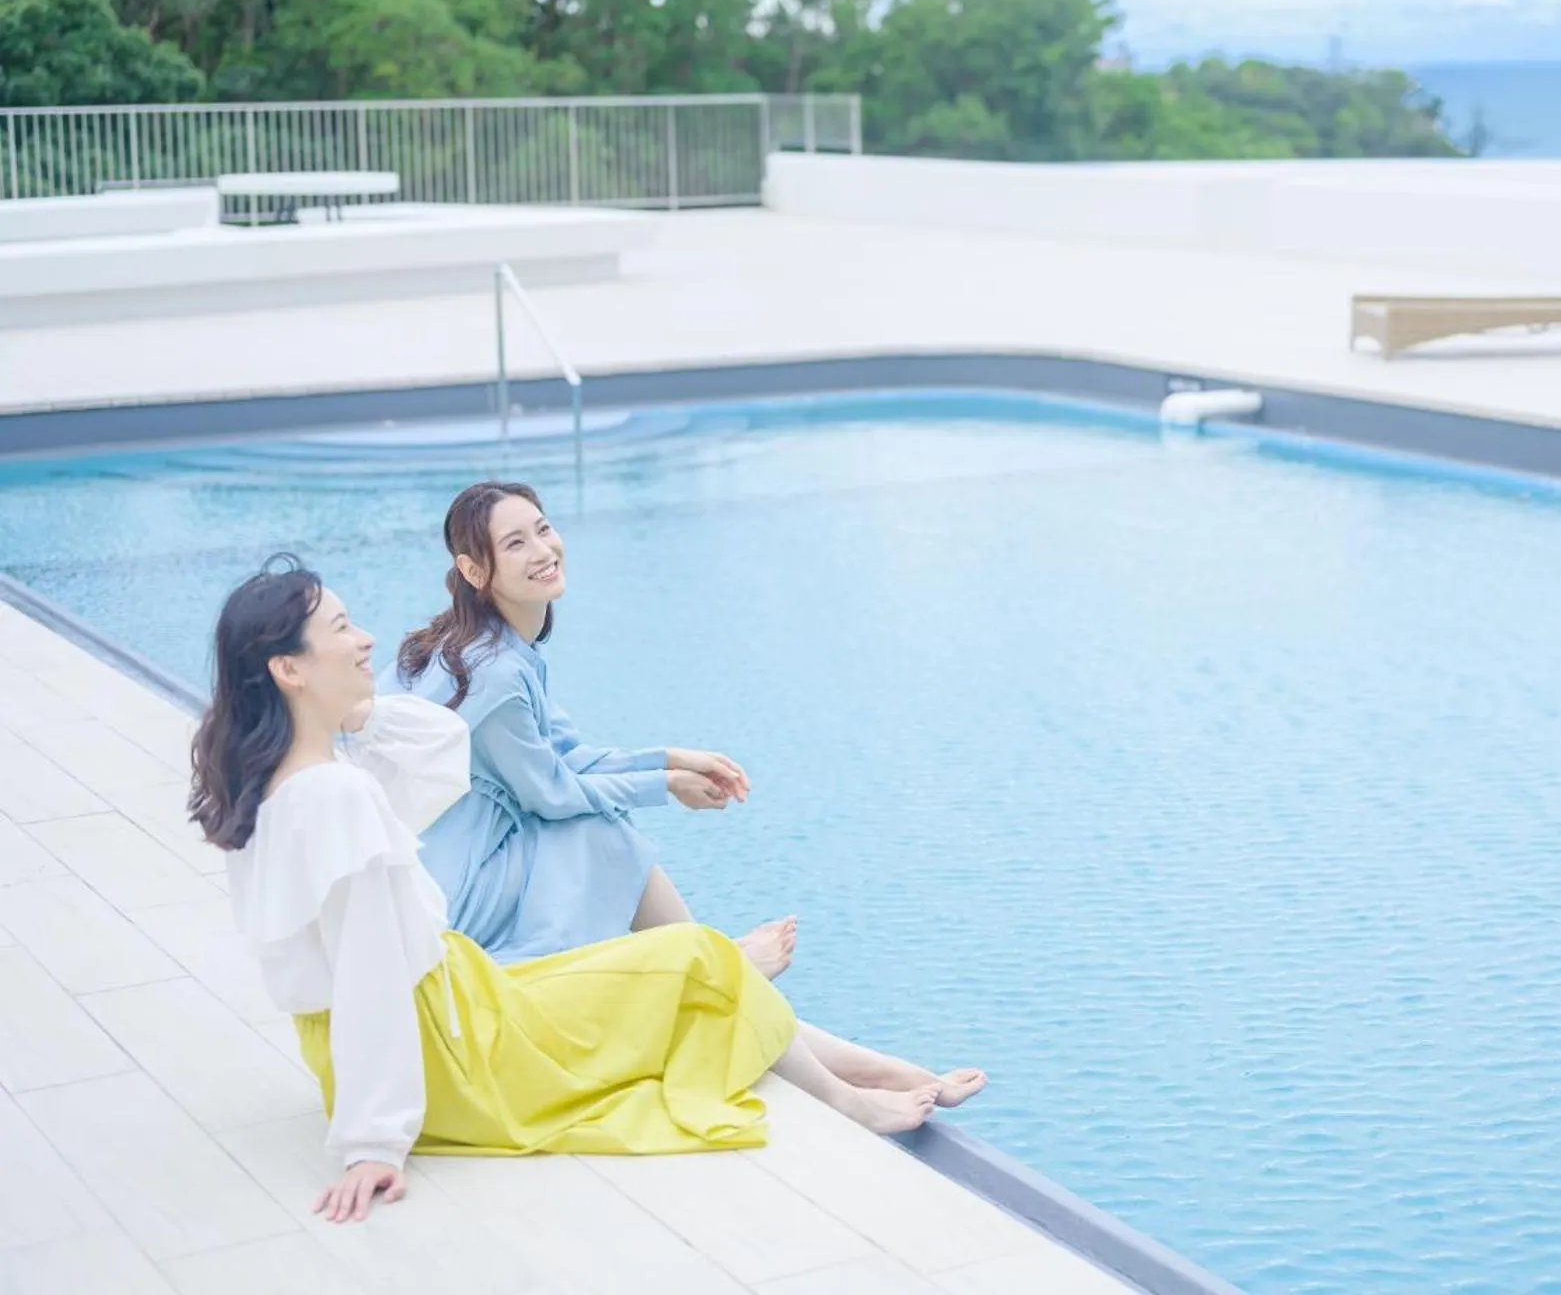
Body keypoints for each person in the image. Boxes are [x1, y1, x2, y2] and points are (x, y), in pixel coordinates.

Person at [191, 559, 984, 1223]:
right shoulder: (334, 798)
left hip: (456, 1010)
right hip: (457, 1053)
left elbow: (439, 750)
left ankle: (871, 1070)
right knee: (699, 963)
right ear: (287, 668)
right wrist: (373, 1141)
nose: (364, 639)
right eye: (339, 630)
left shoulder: (289, 782)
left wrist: (352, 716)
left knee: (690, 971)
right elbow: (368, 978)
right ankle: (851, 1101)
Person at [389, 480, 795, 972]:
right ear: (473, 570)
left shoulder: (483, 644)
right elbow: (552, 794)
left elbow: (565, 756)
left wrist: (671, 759)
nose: (543, 551)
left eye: (543, 529)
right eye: (515, 544)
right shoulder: (494, 674)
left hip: (440, 870)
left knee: (595, 819)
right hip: (453, 893)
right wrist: (665, 785)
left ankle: (710, 963)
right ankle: (715, 970)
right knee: (599, 829)